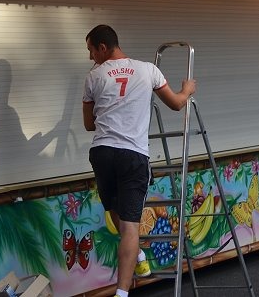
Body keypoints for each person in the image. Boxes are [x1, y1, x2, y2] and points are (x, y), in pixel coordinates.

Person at [83, 25, 196, 297]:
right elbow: (176, 104)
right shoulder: (148, 70)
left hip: (102, 152)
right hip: (133, 154)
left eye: (90, 50)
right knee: (130, 227)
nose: (90, 57)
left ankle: (140, 257)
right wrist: (187, 90)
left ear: (102, 47)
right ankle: (122, 293)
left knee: (114, 209)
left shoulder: (94, 76)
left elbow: (89, 124)